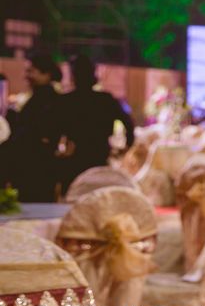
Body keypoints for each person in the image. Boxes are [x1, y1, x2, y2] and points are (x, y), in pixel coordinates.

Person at [58, 54, 135, 188]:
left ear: (73, 76)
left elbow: (55, 130)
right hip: (100, 156)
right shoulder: (106, 100)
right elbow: (128, 123)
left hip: (73, 160)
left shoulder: (66, 101)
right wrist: (126, 147)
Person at [0, 54, 64, 201]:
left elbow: (31, 131)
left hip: (35, 167)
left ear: (46, 74)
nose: (27, 75)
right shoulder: (41, 97)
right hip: (35, 165)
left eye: (32, 71)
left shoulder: (47, 99)